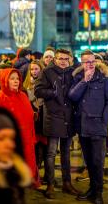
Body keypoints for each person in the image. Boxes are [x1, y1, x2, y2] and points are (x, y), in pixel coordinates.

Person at [69, 50, 108, 204]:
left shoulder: (105, 80)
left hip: (97, 126)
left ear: (96, 62)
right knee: (88, 161)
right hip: (82, 126)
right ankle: (91, 188)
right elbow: (72, 96)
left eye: (92, 61)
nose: (89, 64)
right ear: (82, 63)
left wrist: (104, 119)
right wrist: (84, 81)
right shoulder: (78, 78)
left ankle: (98, 193)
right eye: (86, 62)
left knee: (97, 162)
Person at [35, 49, 78, 199]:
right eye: (60, 58)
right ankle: (51, 184)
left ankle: (67, 183)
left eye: (66, 58)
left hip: (68, 118)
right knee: (51, 153)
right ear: (55, 59)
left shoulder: (72, 72)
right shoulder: (47, 72)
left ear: (70, 59)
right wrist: (53, 93)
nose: (63, 61)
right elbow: (38, 90)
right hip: (53, 117)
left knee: (66, 154)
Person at [0, 68, 39, 188]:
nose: (16, 81)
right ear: (5, 80)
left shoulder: (22, 95)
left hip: (25, 141)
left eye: (17, 78)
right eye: (12, 79)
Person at [23, 60, 47, 181]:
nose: (34, 71)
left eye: (36, 69)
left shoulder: (45, 82)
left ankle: (46, 174)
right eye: (32, 69)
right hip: (32, 118)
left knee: (44, 146)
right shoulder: (27, 84)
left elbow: (41, 99)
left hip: (43, 116)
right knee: (35, 146)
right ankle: (35, 172)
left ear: (41, 69)